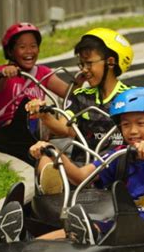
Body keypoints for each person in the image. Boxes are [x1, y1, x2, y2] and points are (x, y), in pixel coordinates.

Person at [26, 87, 144, 242]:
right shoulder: (118, 156)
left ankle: (91, 238)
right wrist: (54, 152)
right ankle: (26, 245)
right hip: (126, 223)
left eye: (140, 124)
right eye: (126, 124)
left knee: (100, 232)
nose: (132, 131)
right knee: (82, 229)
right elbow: (81, 177)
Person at [26, 27, 134, 172]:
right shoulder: (79, 96)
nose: (83, 69)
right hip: (82, 164)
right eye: (82, 64)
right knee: (46, 158)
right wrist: (44, 115)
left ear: (110, 62)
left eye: (89, 63)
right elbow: (65, 129)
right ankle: (52, 192)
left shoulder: (131, 96)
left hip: (117, 166)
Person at [0, 22, 69, 127]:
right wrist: (4, 73)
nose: (29, 51)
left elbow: (69, 94)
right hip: (10, 131)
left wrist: (80, 80)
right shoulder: (2, 71)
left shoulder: (43, 72)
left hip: (38, 128)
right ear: (10, 51)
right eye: (22, 47)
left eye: (33, 46)